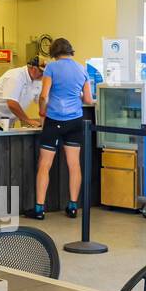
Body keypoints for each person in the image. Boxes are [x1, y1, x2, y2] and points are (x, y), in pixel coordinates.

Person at [25, 38, 93, 220]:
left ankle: (39, 209)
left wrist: (41, 111)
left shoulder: (52, 68)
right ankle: (72, 207)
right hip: (75, 121)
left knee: (44, 165)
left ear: (54, 53)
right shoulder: (82, 69)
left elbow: (44, 95)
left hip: (54, 120)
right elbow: (88, 100)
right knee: (74, 164)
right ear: (71, 51)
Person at [0, 57, 44, 129]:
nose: (43, 75)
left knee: (6, 139)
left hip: (6, 117)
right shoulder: (16, 76)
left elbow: (42, 100)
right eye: (41, 72)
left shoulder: (37, 81)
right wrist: (28, 120)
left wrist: (47, 119)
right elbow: (12, 103)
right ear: (33, 68)